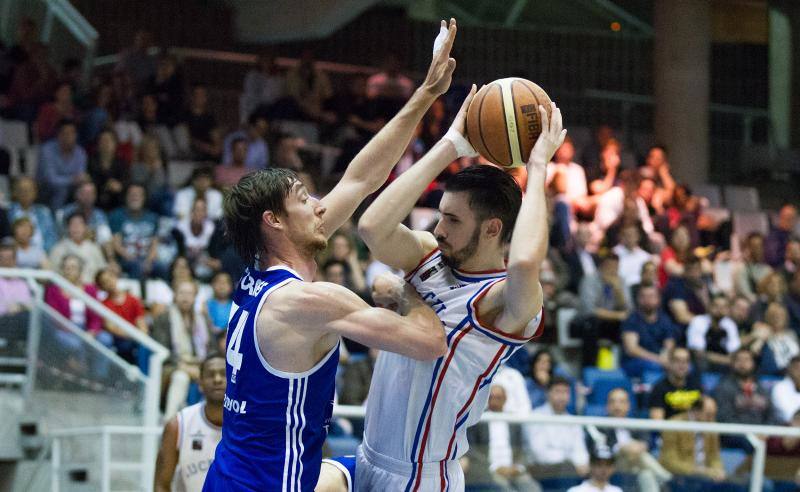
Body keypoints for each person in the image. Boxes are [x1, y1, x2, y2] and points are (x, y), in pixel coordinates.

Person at [203, 19, 459, 491]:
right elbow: (428, 343)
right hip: (266, 487)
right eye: (304, 198)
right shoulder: (309, 301)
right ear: (274, 221)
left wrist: (428, 96)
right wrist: (413, 282)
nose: (320, 205)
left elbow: (361, 180)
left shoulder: (259, 279)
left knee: (351, 472)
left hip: (237, 478)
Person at [352, 67, 565, 487]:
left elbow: (524, 262)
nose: (438, 229)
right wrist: (450, 145)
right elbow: (372, 228)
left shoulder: (501, 302)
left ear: (492, 229)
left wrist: (538, 167)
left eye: (451, 219)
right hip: (366, 457)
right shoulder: (430, 256)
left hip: (420, 478)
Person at [155, 355, 225, 492]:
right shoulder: (178, 425)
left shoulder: (247, 425)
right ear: (200, 383)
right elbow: (161, 485)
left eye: (224, 374)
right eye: (211, 375)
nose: (217, 379)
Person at [584, 388, 671, 492]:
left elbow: (647, 442)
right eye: (613, 402)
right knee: (636, 453)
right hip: (613, 465)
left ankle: (665, 479)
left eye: (621, 402)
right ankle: (667, 478)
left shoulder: (635, 424)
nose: (617, 406)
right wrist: (623, 448)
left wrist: (638, 447)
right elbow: (600, 450)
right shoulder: (601, 426)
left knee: (646, 475)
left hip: (635, 465)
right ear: (607, 406)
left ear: (628, 405)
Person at [714, 348, 780, 450]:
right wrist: (750, 434)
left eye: (747, 360)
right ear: (732, 363)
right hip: (736, 435)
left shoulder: (761, 388)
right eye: (739, 360)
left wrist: (765, 432)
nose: (742, 364)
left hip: (761, 433)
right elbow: (724, 418)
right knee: (755, 444)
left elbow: (772, 414)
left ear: (753, 363)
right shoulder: (723, 387)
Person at [526, 377, 590, 480]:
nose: (562, 396)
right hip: (541, 469)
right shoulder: (536, 416)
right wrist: (569, 462)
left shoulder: (573, 421)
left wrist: (581, 464)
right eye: (558, 392)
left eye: (566, 392)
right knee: (567, 469)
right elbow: (538, 452)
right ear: (548, 393)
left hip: (570, 469)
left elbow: (580, 450)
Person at [659, 398, 729, 491]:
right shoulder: (674, 425)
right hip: (681, 476)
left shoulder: (711, 425)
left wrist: (718, 470)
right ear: (696, 411)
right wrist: (698, 471)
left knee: (735, 485)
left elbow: (714, 456)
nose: (712, 419)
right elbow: (669, 461)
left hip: (705, 476)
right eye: (708, 415)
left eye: (713, 415)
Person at [620, 285, 676, 378]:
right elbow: (632, 349)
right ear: (638, 299)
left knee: (685, 368)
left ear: (658, 299)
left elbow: (669, 343)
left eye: (651, 296)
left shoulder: (665, 319)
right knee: (655, 367)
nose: (647, 300)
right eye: (643, 296)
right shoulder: (632, 320)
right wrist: (658, 360)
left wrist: (665, 356)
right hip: (635, 362)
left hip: (660, 360)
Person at [36, 119, 88, 209]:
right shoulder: (47, 150)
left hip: (71, 189)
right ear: (59, 135)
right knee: (61, 189)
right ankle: (57, 218)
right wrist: (71, 180)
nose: (69, 137)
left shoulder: (80, 152)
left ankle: (82, 217)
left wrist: (78, 180)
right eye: (66, 133)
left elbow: (80, 177)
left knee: (87, 188)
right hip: (45, 189)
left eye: (72, 133)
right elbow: (51, 179)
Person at [687, 294, 740, 372]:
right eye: (716, 306)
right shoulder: (698, 321)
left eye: (724, 307)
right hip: (702, 364)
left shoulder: (730, 324)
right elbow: (699, 353)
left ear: (728, 309)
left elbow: (734, 351)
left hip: (724, 366)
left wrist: (729, 360)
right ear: (709, 307)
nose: (720, 309)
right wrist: (727, 360)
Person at [50, 212, 107, 285]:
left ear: (85, 227)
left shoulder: (94, 248)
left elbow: (102, 272)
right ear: (67, 228)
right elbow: (54, 275)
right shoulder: (57, 250)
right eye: (73, 224)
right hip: (67, 291)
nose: (76, 228)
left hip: (92, 290)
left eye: (79, 224)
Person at [648, 347, 703, 420]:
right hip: (670, 429)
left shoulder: (695, 385)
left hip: (694, 429)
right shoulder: (659, 388)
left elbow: (705, 412)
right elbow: (657, 423)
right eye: (677, 360)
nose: (682, 365)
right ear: (669, 363)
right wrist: (685, 417)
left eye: (686, 361)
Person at [772, 355, 800, 423]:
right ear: (790, 369)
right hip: (786, 429)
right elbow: (788, 416)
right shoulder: (779, 388)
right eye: (797, 368)